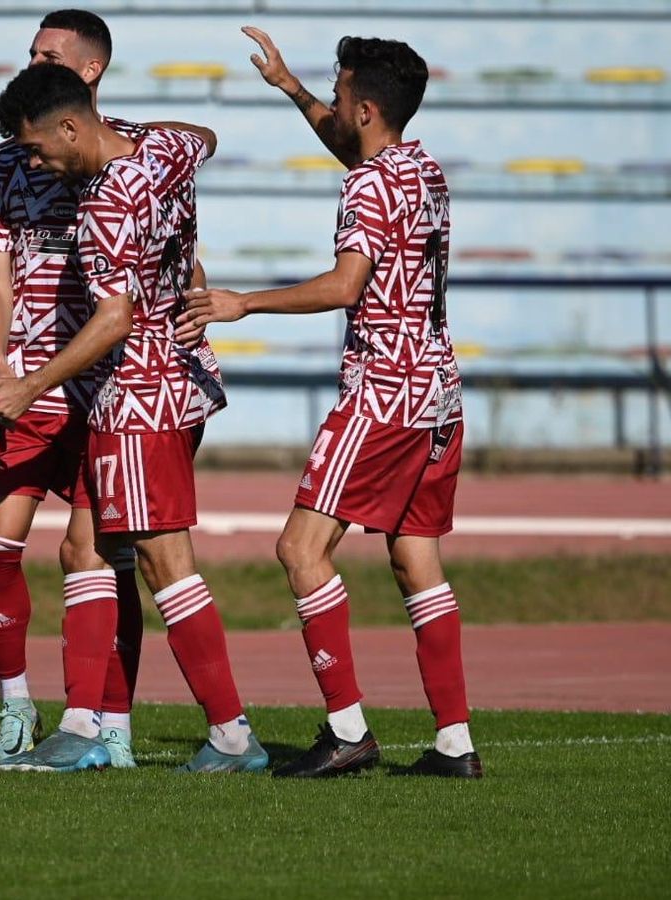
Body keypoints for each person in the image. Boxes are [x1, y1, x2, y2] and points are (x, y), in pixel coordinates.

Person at [177, 31, 482, 779]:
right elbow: (352, 146)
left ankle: (347, 730)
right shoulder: (421, 169)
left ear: (367, 108)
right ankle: (455, 744)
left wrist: (243, 302)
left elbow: (347, 285)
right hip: (438, 393)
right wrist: (290, 87)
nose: (334, 106)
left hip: (383, 395)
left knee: (300, 550)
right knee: (415, 558)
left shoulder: (367, 186)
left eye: (340, 94)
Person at [0, 63, 266, 773]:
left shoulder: (104, 204)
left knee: (165, 563)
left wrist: (30, 386)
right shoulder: (165, 151)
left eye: (39, 149)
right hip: (181, 379)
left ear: (71, 127)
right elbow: (205, 135)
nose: (35, 164)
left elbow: (114, 319)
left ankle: (231, 734)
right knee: (92, 550)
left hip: (139, 394)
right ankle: (84, 724)